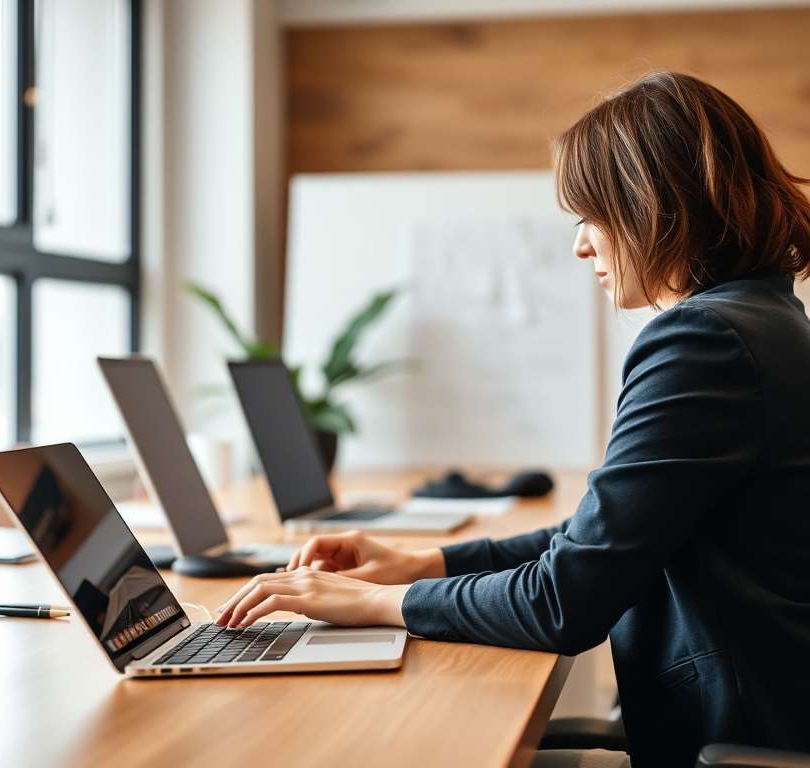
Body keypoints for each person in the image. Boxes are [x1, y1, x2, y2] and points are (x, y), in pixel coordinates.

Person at [215, 70, 810, 768]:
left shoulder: (703, 341)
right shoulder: (765, 321)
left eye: (591, 217)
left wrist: (375, 603)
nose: (580, 246)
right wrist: (423, 561)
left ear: (657, 207)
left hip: (730, 740)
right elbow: (601, 536)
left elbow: (566, 601)